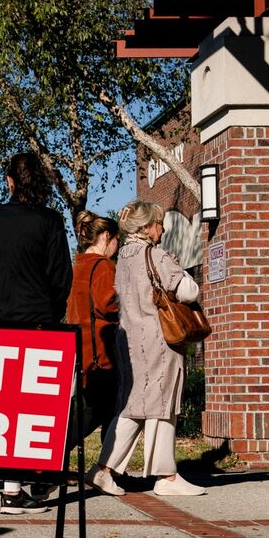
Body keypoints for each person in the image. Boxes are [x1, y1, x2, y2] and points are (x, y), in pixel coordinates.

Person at [87, 200, 206, 497]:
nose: (162, 228)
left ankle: (104, 469)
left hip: (129, 340)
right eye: (159, 222)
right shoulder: (157, 255)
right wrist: (177, 267)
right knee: (163, 404)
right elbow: (189, 291)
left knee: (135, 405)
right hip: (159, 340)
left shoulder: (123, 258)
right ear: (147, 226)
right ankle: (166, 476)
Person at [0, 152, 72, 514]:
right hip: (39, 321)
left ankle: (11, 488)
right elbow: (61, 275)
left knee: (4, 407)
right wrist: (52, 312)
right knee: (38, 408)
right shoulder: (50, 221)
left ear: (9, 181)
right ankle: (35, 478)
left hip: (0, 319)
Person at [65, 211, 121, 452]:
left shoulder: (76, 267)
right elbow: (108, 304)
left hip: (80, 348)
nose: (117, 247)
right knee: (102, 409)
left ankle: (108, 466)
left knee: (100, 408)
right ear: (107, 236)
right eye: (117, 241)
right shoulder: (104, 267)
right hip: (101, 350)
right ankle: (61, 447)